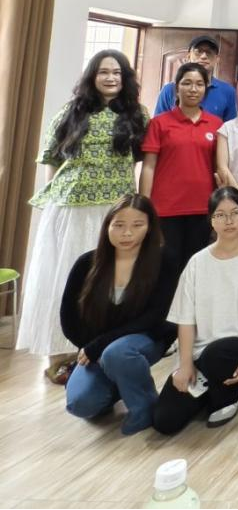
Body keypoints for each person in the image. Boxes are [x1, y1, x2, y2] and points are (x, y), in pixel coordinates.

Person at [23, 50, 149, 383]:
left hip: (115, 211)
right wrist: (54, 200)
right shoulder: (71, 112)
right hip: (72, 209)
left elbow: (145, 160)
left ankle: (100, 352)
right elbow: (50, 158)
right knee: (66, 280)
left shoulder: (137, 115)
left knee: (110, 282)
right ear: (92, 76)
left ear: (125, 78)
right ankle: (59, 355)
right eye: (104, 72)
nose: (111, 78)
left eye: (117, 73)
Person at [153, 188, 238, 434]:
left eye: (235, 213)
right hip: (199, 350)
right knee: (164, 421)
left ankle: (229, 395)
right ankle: (209, 384)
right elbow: (185, 319)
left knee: (221, 353)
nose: (229, 220)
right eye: (220, 215)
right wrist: (185, 364)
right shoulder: (197, 262)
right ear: (211, 220)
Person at [60, 195, 180, 434]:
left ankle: (144, 407)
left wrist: (99, 345)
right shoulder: (86, 263)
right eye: (119, 225)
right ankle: (120, 382)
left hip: (145, 337)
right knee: (80, 404)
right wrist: (89, 348)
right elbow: (68, 319)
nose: (127, 233)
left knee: (118, 353)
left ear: (149, 227)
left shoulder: (164, 260)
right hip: (98, 347)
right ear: (107, 226)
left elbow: (155, 316)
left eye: (137, 225)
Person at [140, 62, 220, 271]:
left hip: (203, 209)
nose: (193, 89)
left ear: (205, 89)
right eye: (187, 83)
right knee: (166, 267)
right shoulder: (159, 123)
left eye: (199, 84)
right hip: (165, 210)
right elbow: (148, 167)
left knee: (195, 268)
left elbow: (219, 169)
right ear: (176, 88)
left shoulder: (216, 125)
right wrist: (144, 206)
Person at [153, 36, 237, 122]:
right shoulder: (170, 90)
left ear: (217, 59)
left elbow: (230, 127)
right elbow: (158, 123)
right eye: (198, 52)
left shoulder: (228, 92)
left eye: (209, 52)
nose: (203, 56)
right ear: (188, 56)